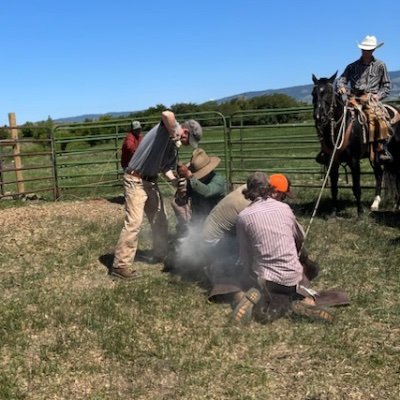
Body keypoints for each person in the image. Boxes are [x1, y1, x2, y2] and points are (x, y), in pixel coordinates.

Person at [232, 173, 341, 324]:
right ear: (269, 188)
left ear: (249, 192)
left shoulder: (243, 216)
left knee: (263, 310)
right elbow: (300, 238)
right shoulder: (285, 208)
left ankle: (254, 298)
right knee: (288, 292)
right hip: (292, 278)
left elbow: (244, 254)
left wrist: (246, 273)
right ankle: (299, 304)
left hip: (266, 278)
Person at [110, 110, 203, 279]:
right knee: (134, 223)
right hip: (135, 179)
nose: (187, 144)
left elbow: (165, 168)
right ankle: (120, 266)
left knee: (160, 219)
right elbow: (166, 114)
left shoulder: (172, 146)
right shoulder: (168, 128)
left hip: (150, 182)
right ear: (186, 132)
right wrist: (175, 131)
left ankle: (160, 254)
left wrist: (175, 181)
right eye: (188, 140)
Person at [335, 35, 391, 163]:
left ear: (373, 50)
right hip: (353, 97)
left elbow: (387, 85)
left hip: (371, 98)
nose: (365, 51)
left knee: (376, 116)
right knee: (336, 114)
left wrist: (378, 95)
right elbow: (342, 79)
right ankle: (332, 147)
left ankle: (380, 148)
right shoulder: (351, 66)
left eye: (368, 49)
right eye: (364, 49)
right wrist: (341, 86)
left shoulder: (380, 65)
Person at [171, 148, 226, 235]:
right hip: (197, 219)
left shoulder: (218, 180)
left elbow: (207, 191)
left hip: (215, 221)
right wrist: (181, 194)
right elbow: (181, 201)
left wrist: (190, 177)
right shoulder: (193, 182)